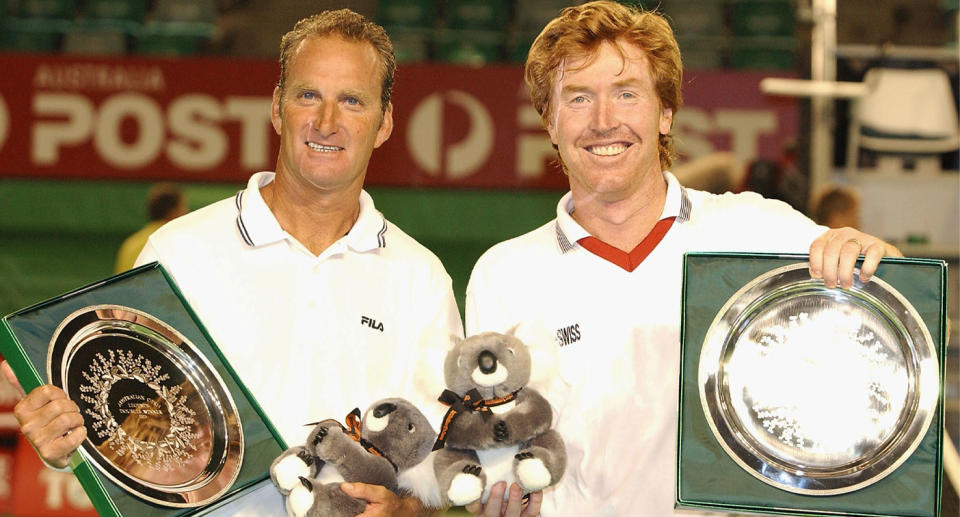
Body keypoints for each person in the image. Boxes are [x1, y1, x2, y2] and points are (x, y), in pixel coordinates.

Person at [1, 9, 462, 517]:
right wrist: (70, 440)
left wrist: (407, 511)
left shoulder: (420, 278)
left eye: (351, 100)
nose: (326, 121)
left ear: (384, 123)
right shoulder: (180, 252)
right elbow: (134, 432)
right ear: (276, 108)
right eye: (308, 95)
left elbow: (441, 463)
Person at [463, 3, 902, 517]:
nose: (604, 121)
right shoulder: (503, 273)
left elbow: (890, 312)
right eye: (579, 98)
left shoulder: (756, 229)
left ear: (665, 112)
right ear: (551, 123)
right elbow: (493, 453)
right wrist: (499, 495)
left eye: (627, 94)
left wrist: (872, 254)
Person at [113, 182, 188, 273]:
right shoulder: (177, 244)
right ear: (173, 212)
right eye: (183, 207)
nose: (186, 212)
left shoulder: (130, 245)